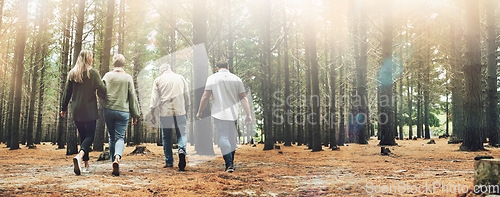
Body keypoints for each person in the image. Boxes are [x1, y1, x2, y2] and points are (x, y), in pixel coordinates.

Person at [196, 61, 252, 173]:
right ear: (228, 67)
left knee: (223, 136)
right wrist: (248, 115)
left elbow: (205, 96)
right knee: (231, 139)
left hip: (219, 113)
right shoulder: (236, 79)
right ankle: (231, 163)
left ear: (217, 68)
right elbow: (243, 98)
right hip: (233, 113)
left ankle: (229, 164)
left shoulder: (212, 78)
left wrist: (200, 111)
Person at [60, 50, 106, 175]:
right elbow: (102, 89)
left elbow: (66, 93)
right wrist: (105, 84)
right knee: (90, 136)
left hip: (76, 110)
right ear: (88, 59)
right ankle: (80, 156)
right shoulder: (93, 73)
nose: (92, 59)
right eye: (91, 57)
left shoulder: (72, 74)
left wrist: (63, 108)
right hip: (89, 109)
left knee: (83, 136)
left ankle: (85, 165)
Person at [102, 54, 140, 176]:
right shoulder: (128, 78)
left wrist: (104, 101)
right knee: (120, 137)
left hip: (109, 109)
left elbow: (101, 90)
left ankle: (113, 161)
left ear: (113, 64)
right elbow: (132, 96)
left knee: (111, 136)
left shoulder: (107, 76)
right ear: (124, 65)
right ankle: (117, 158)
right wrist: (135, 114)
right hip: (123, 111)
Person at [150, 63, 189, 171]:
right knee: (182, 133)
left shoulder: (158, 80)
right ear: (170, 69)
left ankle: (169, 162)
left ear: (161, 71)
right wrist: (187, 110)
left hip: (165, 112)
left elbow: (154, 98)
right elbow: (187, 96)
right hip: (180, 111)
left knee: (166, 137)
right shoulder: (181, 78)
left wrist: (152, 112)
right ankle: (181, 150)